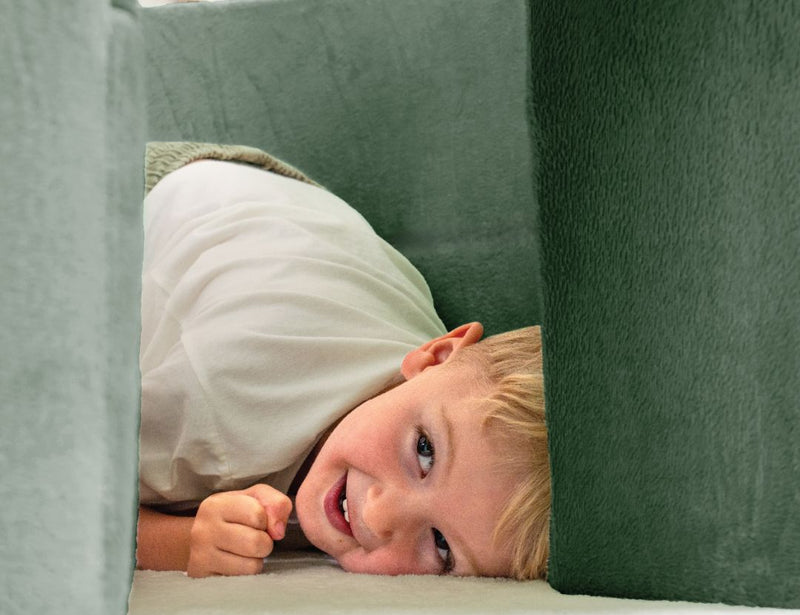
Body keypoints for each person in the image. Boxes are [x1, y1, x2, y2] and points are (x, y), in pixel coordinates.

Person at [135, 145, 549, 581]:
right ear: (435, 356)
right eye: (424, 450)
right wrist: (180, 543)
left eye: (442, 545)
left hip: (283, 221)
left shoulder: (439, 394)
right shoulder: (222, 400)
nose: (381, 514)